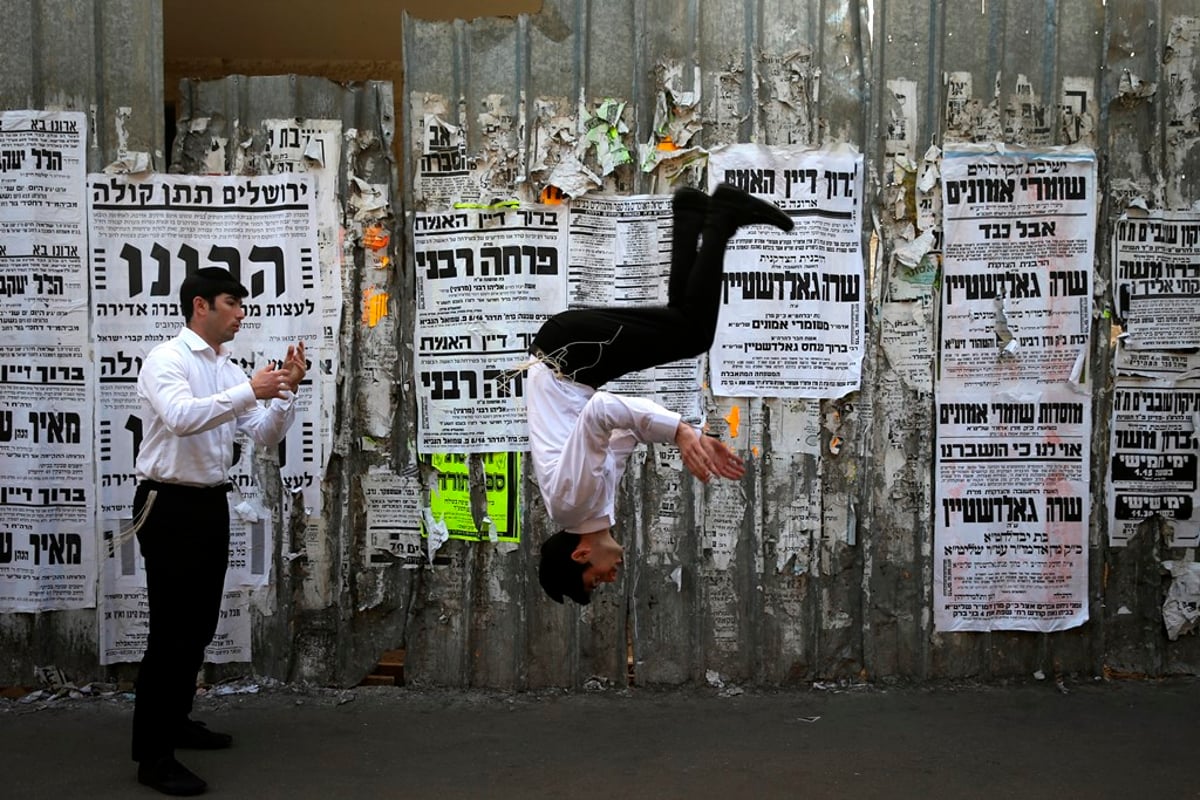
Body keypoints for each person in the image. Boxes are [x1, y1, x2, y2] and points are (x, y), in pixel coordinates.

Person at [530, 183, 793, 605]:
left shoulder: (573, 502)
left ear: (581, 553)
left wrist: (679, 434)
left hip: (570, 355)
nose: (609, 578)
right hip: (571, 360)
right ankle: (691, 215)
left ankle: (722, 218)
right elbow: (623, 435)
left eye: (595, 579)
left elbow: (600, 412)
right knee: (682, 325)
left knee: (692, 333)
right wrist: (693, 433)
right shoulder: (590, 508)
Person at [129, 266, 306, 796]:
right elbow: (182, 418)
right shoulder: (167, 360)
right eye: (233, 302)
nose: (241, 313)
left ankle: (177, 722)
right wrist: (251, 389)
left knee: (199, 626)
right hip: (167, 505)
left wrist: (283, 394)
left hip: (209, 504)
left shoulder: (229, 369)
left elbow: (265, 437)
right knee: (170, 633)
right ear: (200, 306)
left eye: (243, 304)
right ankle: (153, 756)